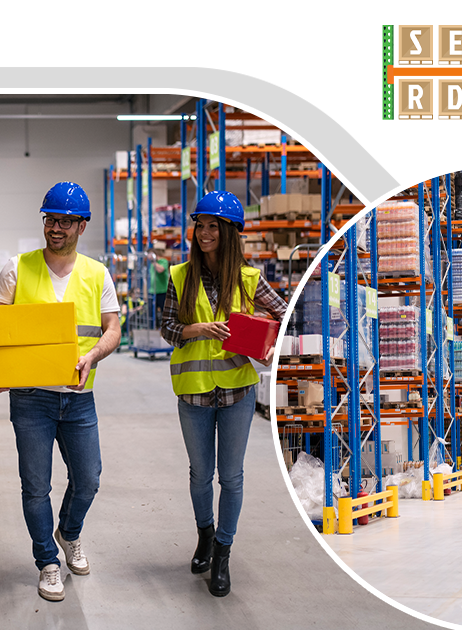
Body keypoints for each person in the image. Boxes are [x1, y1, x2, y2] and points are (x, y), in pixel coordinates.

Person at [0, 182, 121, 602]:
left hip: (78, 397)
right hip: (30, 399)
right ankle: (47, 562)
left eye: (64, 221)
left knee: (88, 479)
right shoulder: (16, 268)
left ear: (82, 225)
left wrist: (93, 355)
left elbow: (113, 328)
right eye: (49, 219)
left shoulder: (97, 274)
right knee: (35, 485)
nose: (55, 228)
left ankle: (68, 533)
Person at [159, 191, 287, 597]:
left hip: (237, 393)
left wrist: (259, 335)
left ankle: (224, 553)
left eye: (214, 226)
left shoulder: (250, 278)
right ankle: (205, 536)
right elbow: (167, 328)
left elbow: (284, 316)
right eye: (200, 225)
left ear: (230, 232)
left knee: (231, 477)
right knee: (201, 476)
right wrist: (196, 330)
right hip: (194, 393)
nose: (205, 233)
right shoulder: (180, 276)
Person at [149, 243, 170, 326]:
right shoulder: (151, 264)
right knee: (151, 312)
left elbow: (160, 270)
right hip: (152, 291)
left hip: (162, 291)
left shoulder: (163, 261)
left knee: (164, 311)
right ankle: (153, 328)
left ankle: (165, 328)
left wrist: (154, 261)